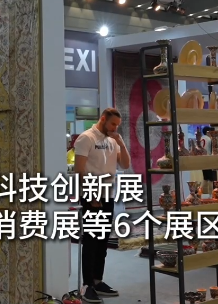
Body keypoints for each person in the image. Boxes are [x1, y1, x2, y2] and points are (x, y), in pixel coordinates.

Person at [73, 108, 130, 303]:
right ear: (103, 119)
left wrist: (121, 142)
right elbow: (79, 170)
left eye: (117, 125)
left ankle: (98, 281)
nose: (115, 128)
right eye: (113, 124)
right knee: (91, 241)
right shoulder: (86, 138)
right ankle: (87, 285)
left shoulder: (112, 141)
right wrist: (90, 195)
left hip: (108, 196)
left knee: (103, 242)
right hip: (91, 197)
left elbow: (125, 165)